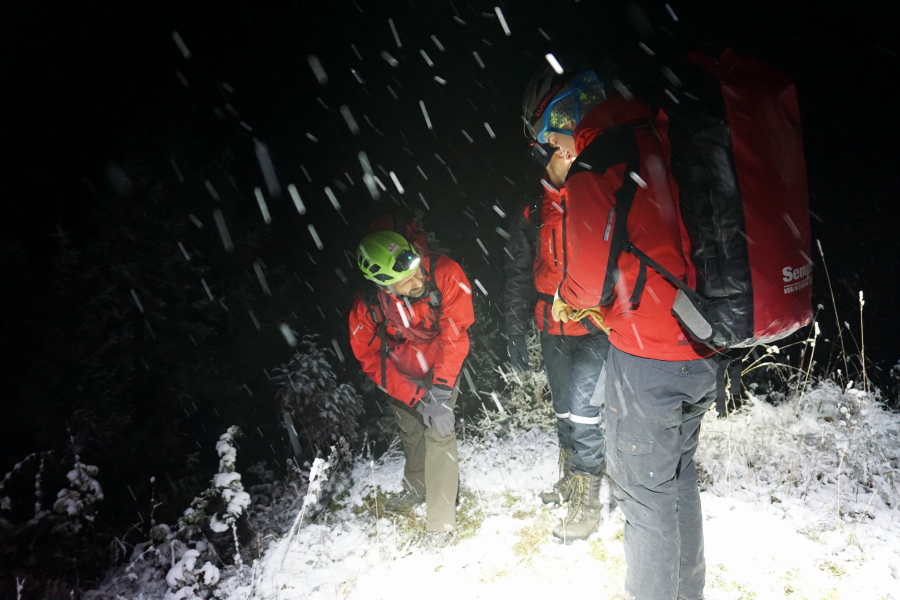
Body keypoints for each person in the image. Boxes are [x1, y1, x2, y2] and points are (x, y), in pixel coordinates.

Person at [523, 64, 717, 600]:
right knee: (677, 479)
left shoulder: (598, 160)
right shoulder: (655, 132)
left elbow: (586, 284)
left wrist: (567, 300)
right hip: (702, 343)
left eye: (549, 138)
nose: (553, 150)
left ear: (562, 119)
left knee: (645, 500)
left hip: (649, 356)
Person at [504, 145, 611, 541]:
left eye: (576, 149)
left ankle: (588, 504)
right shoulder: (533, 210)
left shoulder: (599, 196)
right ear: (544, 156)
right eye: (563, 151)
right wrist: (514, 331)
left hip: (596, 326)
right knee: (564, 410)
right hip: (552, 327)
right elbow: (518, 272)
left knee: (584, 413)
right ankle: (570, 480)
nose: (571, 156)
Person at [348, 230, 475, 549]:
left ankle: (441, 522)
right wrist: (416, 399)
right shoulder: (368, 307)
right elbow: (370, 359)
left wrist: (440, 393)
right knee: (411, 430)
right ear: (384, 286)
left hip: (442, 362)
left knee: (439, 431)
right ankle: (417, 487)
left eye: (416, 269)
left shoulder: (445, 273)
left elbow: (455, 334)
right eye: (405, 280)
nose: (417, 280)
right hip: (402, 371)